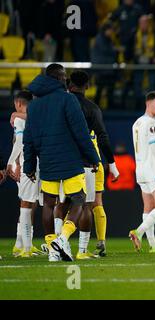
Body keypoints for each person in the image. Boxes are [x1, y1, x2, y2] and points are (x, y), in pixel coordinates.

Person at [23, 64, 100, 262]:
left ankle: (52, 250)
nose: (66, 79)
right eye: (64, 76)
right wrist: (93, 158)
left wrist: (29, 166)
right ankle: (63, 238)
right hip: (70, 159)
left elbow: (28, 139)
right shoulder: (68, 99)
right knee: (79, 199)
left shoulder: (34, 105)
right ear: (58, 78)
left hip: (47, 161)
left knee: (49, 203)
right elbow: (81, 132)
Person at [54, 70, 120, 260]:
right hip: (87, 162)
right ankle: (81, 250)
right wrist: (112, 164)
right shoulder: (92, 108)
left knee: (62, 202)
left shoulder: (60, 105)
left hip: (61, 160)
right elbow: (103, 137)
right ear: (88, 86)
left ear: (69, 84)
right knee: (85, 205)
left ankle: (55, 245)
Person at [129, 92, 155, 254]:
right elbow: (154, 149)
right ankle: (138, 232)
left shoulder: (137, 123)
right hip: (153, 169)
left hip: (140, 170)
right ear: (148, 103)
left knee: (149, 207)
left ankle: (152, 244)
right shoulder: (152, 124)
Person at [6, 91, 44, 258]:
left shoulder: (22, 117)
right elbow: (20, 142)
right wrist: (12, 162)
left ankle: (21, 244)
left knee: (30, 201)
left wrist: (11, 162)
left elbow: (19, 141)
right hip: (25, 162)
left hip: (25, 161)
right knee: (27, 202)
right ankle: (24, 246)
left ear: (18, 104)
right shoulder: (22, 118)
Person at [133, 15, 155, 109]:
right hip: (138, 62)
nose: (144, 25)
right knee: (137, 83)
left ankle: (151, 105)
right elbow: (130, 46)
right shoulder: (135, 33)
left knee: (152, 84)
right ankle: (137, 104)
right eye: (142, 23)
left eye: (145, 23)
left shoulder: (154, 33)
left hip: (151, 62)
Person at [91, 23, 119, 109]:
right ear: (106, 30)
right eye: (110, 30)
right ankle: (96, 107)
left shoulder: (107, 39)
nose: (111, 32)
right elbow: (106, 51)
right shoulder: (100, 39)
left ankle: (109, 106)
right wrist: (115, 50)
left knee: (109, 88)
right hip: (102, 69)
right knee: (100, 88)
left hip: (107, 68)